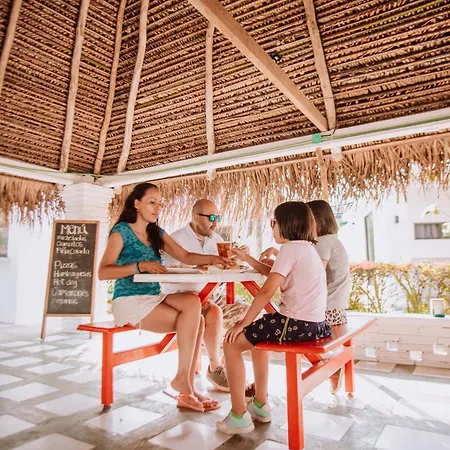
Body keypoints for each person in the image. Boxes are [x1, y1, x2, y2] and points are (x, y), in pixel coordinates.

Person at [98, 183, 228, 412]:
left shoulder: (156, 232)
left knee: (193, 303)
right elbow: (103, 272)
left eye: (159, 203)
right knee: (195, 320)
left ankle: (185, 383)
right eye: (152, 202)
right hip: (129, 301)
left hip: (153, 295)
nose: (157, 207)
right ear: (136, 204)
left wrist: (215, 259)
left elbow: (186, 256)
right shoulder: (121, 232)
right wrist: (139, 266)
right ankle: (185, 386)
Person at [216, 201, 331, 434]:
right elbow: (272, 273)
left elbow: (267, 290)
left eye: (273, 222)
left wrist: (242, 323)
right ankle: (260, 405)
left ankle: (238, 416)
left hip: (295, 324)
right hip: (315, 325)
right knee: (258, 339)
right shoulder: (307, 248)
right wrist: (247, 258)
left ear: (286, 224)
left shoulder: (290, 249)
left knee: (231, 343)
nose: (272, 227)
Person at [260, 199, 351, 393]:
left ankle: (330, 368)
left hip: (326, 308)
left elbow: (313, 273)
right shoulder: (331, 240)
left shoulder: (322, 243)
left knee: (293, 335)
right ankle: (331, 366)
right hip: (337, 305)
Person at [163, 199, 250, 392]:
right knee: (213, 312)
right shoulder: (176, 239)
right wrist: (197, 266)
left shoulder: (216, 239)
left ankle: (228, 363)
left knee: (249, 313)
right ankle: (215, 367)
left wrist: (238, 257)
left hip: (212, 293)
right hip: (184, 295)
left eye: (217, 217)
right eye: (211, 218)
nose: (215, 222)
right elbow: (168, 271)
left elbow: (223, 265)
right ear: (196, 217)